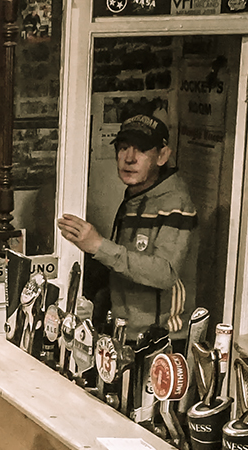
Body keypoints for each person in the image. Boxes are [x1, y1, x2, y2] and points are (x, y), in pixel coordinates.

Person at [57, 114, 197, 342]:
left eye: (141, 150)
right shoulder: (135, 197)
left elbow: (165, 273)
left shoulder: (176, 204)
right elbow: (126, 265)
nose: (129, 158)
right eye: (123, 148)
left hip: (163, 339)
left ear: (162, 156)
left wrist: (98, 245)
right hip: (124, 332)